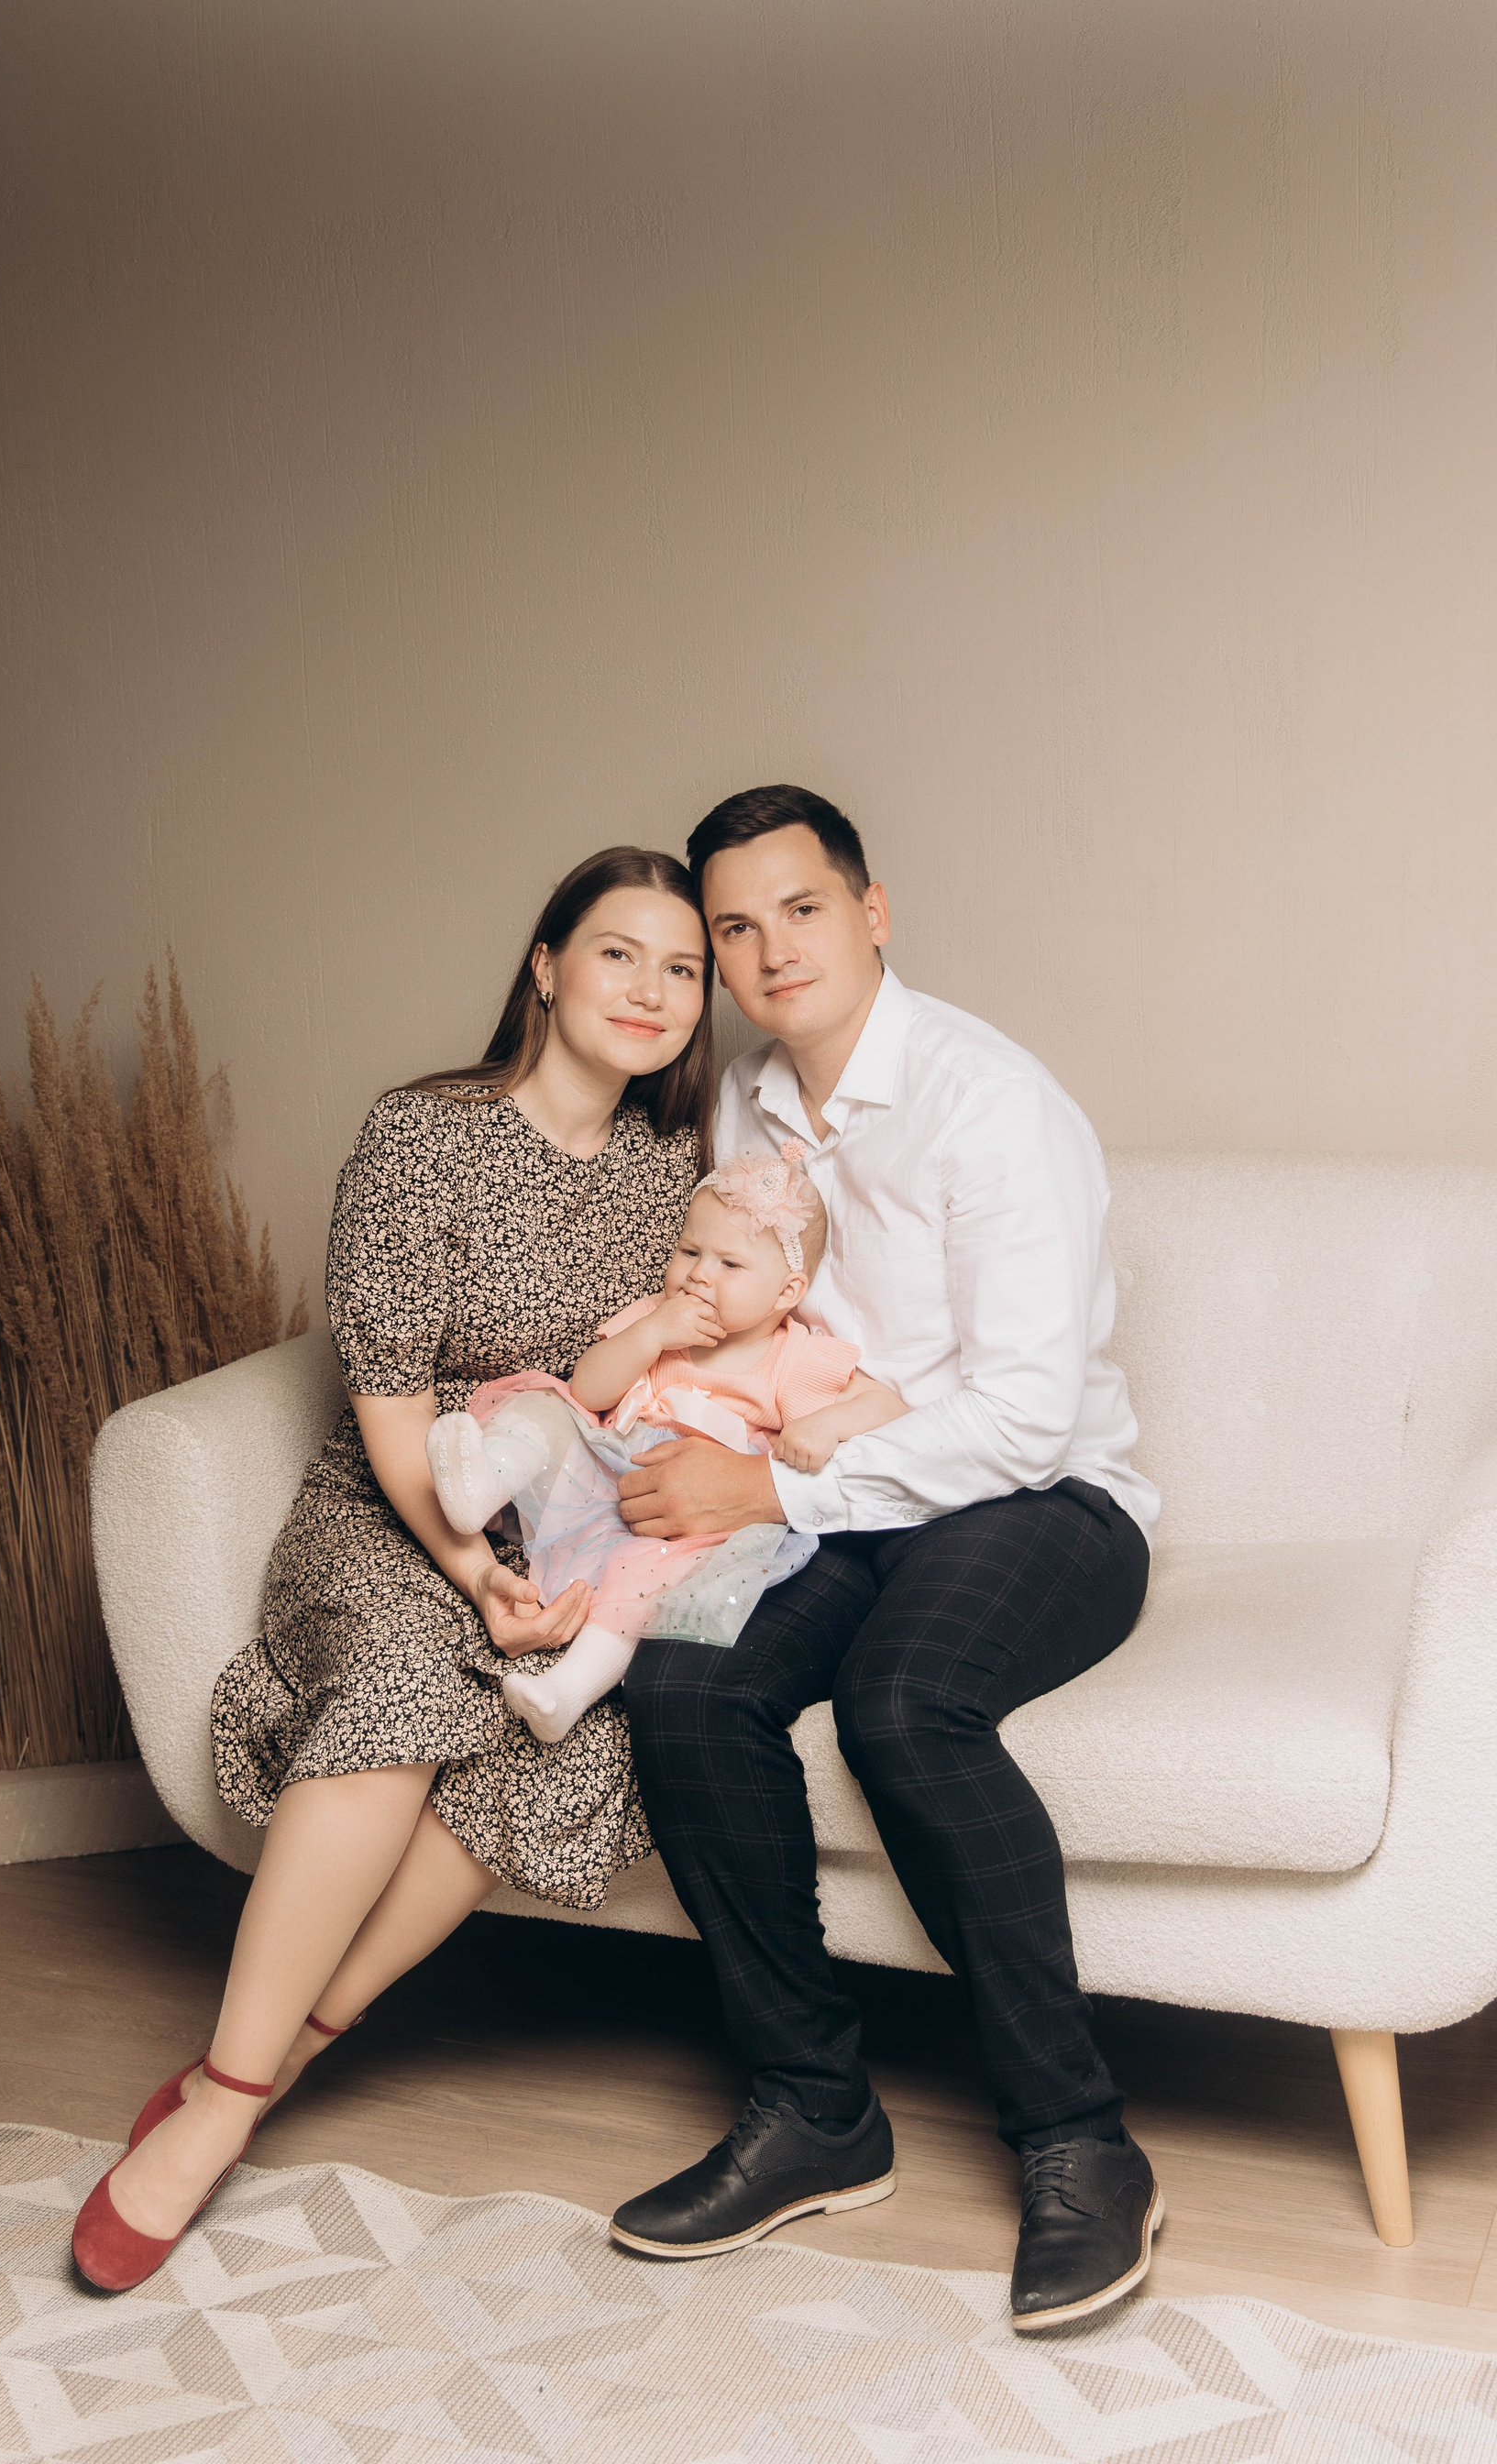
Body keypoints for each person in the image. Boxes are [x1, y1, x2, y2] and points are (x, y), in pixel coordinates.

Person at [72, 843, 711, 2294]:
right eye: (619, 954)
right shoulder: (420, 1133)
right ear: (546, 967)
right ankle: (220, 2106)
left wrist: (582, 1556)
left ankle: (280, 2056)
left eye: (681, 970)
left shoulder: (669, 1172)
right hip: (401, 1510)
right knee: (406, 1692)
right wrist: (471, 1573)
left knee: (564, 1749)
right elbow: (389, 1396)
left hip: (561, 1526)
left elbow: (662, 1376)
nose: (651, 991)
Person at [610, 786, 1161, 2334]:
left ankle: (1080, 2143)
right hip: (840, 1491)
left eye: (802, 909)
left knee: (904, 1705)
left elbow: (1022, 1416)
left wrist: (772, 1480)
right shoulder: (743, 1102)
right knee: (684, 1679)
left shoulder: (990, 1102)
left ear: (872, 912)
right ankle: (813, 2109)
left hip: (1044, 1499)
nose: (772, 950)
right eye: (735, 928)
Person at [427, 1147, 907, 1742]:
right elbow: (588, 1389)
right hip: (603, 1476)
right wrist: (652, 1333)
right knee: (545, 1406)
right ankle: (478, 1492)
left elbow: (889, 1407)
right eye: (689, 1251)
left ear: (787, 1291)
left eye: (730, 1263)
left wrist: (825, 1424)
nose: (700, 1273)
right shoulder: (657, 1317)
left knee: (643, 1581)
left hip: (686, 1524)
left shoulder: (795, 1357)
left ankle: (565, 1691)